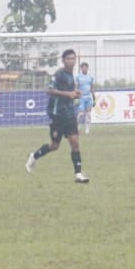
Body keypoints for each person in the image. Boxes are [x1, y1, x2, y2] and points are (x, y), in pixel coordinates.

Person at [25, 48, 89, 182]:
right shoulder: (59, 74)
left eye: (73, 59)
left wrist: (75, 93)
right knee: (54, 145)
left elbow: (69, 91)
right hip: (58, 114)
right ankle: (34, 156)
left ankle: (78, 175)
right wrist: (68, 94)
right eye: (68, 59)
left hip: (70, 113)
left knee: (75, 143)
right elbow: (49, 90)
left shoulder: (71, 74)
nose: (71, 61)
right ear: (63, 60)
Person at [75, 61, 96, 135]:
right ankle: (77, 128)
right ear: (81, 68)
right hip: (81, 97)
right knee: (80, 114)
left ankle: (87, 131)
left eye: (85, 67)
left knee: (88, 114)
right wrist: (76, 97)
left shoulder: (91, 77)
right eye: (82, 67)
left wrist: (94, 98)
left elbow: (92, 88)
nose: (84, 69)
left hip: (88, 97)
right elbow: (76, 87)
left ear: (87, 68)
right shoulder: (78, 77)